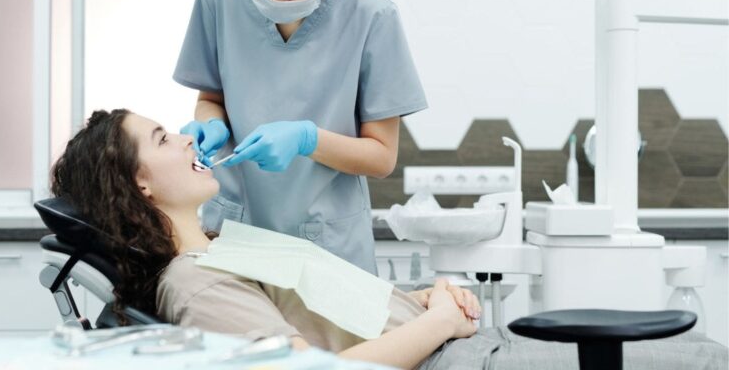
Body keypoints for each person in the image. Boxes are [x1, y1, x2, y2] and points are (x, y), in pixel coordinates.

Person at [50, 110, 728, 370]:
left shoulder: (223, 245)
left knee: (697, 348)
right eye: (165, 139)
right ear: (138, 185)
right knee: (700, 359)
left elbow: (340, 306)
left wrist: (426, 292)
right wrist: (435, 323)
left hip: (456, 342)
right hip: (451, 362)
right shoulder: (193, 283)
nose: (188, 136)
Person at [174, 0, 427, 274]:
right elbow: (212, 99)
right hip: (232, 233)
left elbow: (381, 157)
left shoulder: (371, 16)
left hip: (327, 246)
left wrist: (307, 139)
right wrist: (212, 126)